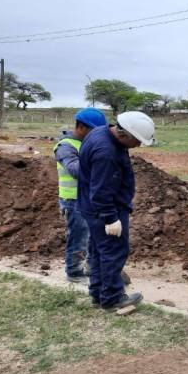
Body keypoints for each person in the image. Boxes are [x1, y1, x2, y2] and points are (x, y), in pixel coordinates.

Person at [77, 111, 155, 310]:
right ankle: (112, 298)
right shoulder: (106, 152)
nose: (138, 146)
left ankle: (97, 294)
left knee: (98, 251)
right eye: (137, 141)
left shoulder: (100, 133)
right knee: (114, 251)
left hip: (91, 208)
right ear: (124, 134)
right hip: (103, 211)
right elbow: (101, 191)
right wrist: (111, 218)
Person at [53, 107, 107, 283]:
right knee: (79, 236)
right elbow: (75, 170)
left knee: (93, 235)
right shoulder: (65, 147)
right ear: (82, 127)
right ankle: (74, 272)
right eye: (95, 131)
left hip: (90, 198)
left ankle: (92, 267)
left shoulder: (87, 143)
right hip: (72, 201)